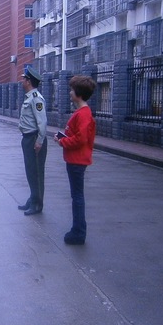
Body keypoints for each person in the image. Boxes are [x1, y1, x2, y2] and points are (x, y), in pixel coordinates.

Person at [54, 75, 97, 245]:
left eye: (72, 90)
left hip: (77, 161)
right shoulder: (81, 113)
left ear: (78, 93)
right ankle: (77, 229)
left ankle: (78, 232)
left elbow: (81, 139)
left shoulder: (84, 114)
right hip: (74, 159)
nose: (70, 93)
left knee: (77, 197)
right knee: (76, 196)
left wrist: (62, 141)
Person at [18, 68, 48, 216]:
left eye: (24, 78)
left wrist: (39, 141)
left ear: (29, 81)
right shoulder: (29, 97)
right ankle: (32, 198)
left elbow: (42, 122)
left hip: (34, 139)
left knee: (36, 173)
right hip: (27, 138)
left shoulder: (36, 98)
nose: (22, 80)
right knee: (30, 171)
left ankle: (37, 204)